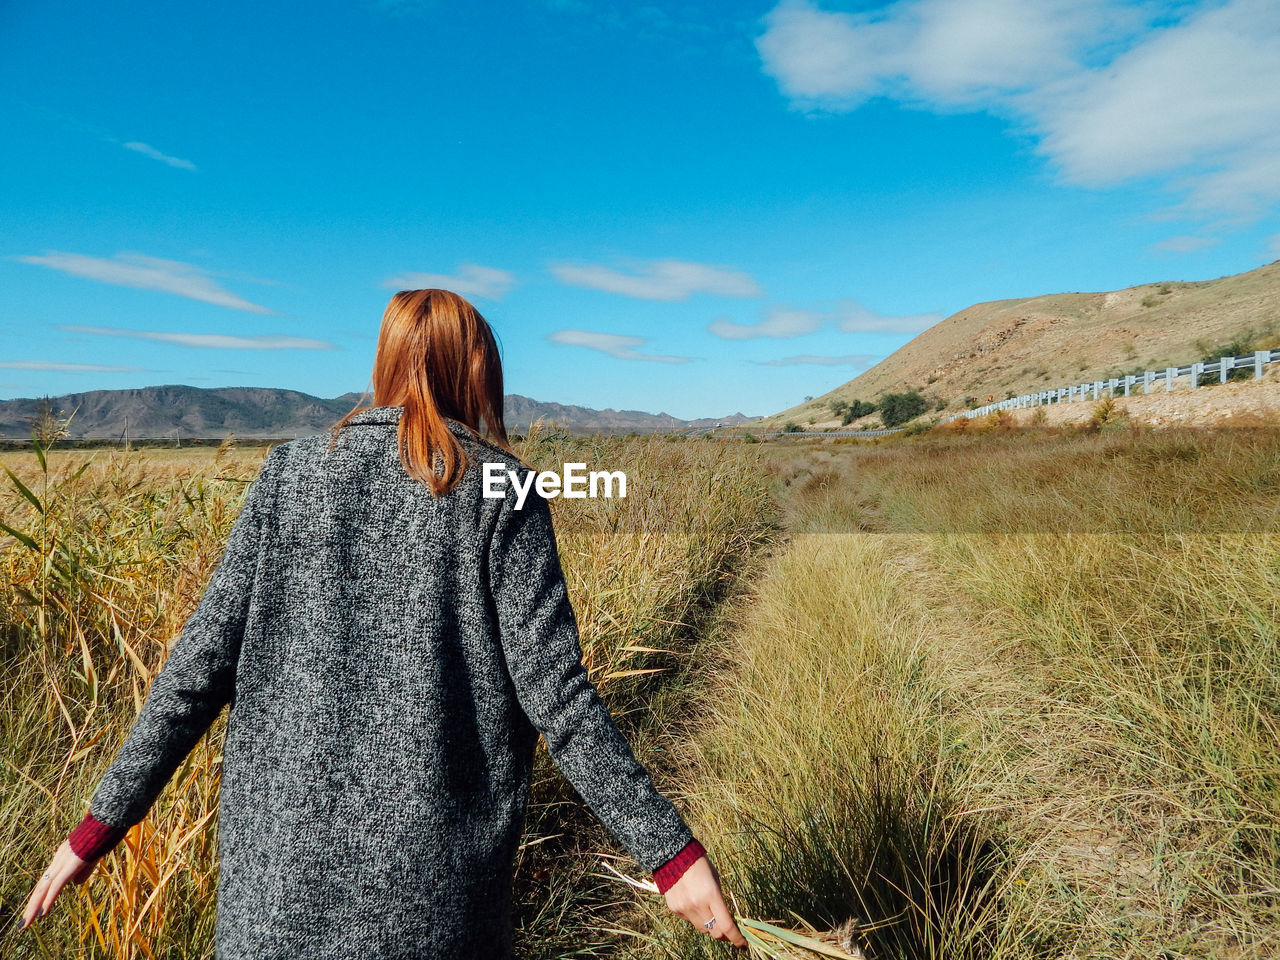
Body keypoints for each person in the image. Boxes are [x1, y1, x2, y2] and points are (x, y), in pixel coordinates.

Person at [22, 289, 748, 956]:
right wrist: (669, 854)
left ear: (386, 361)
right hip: (433, 904)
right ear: (477, 373)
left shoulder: (289, 474)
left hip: (278, 896)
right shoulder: (502, 489)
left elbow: (195, 671)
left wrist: (96, 829)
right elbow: (561, 699)